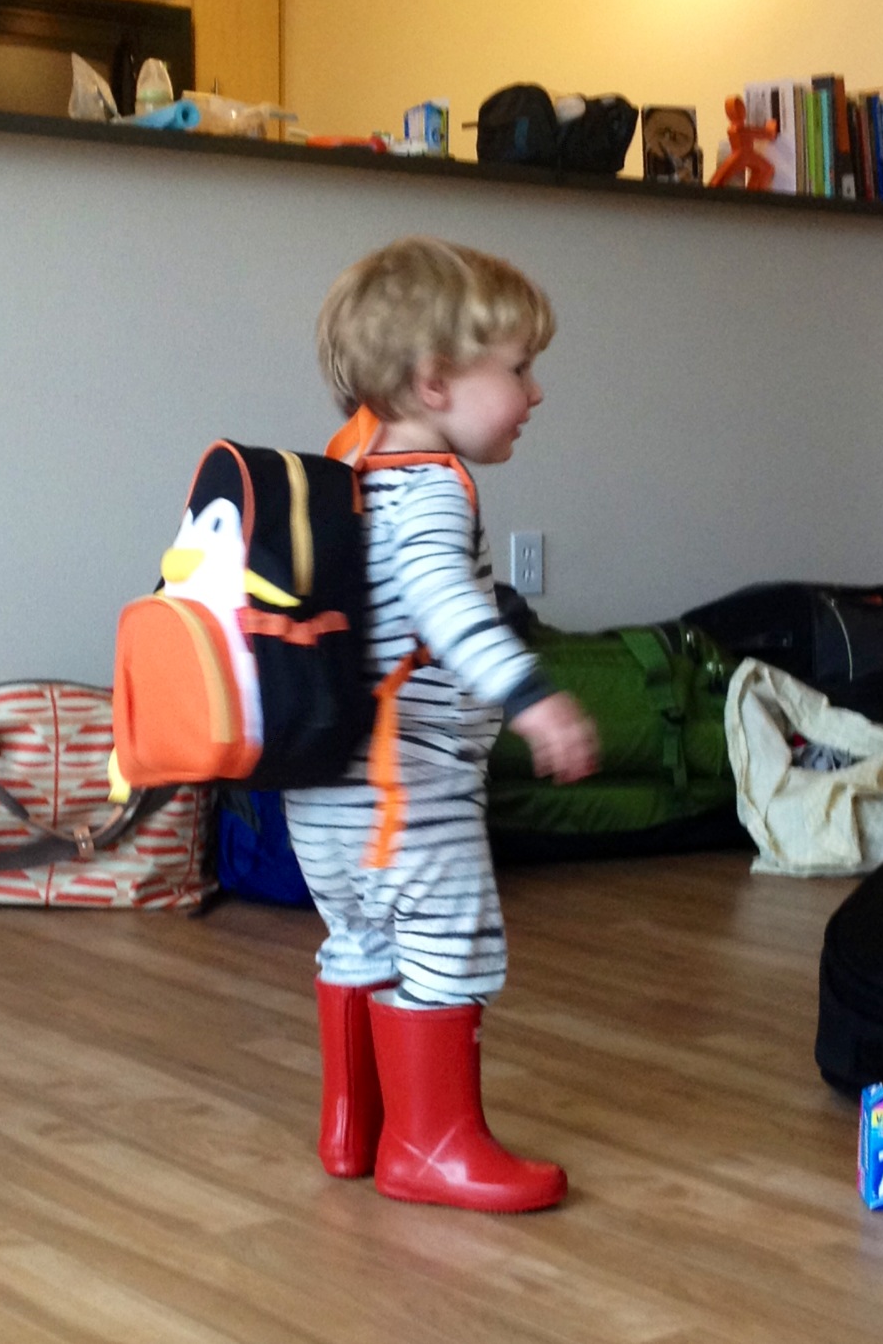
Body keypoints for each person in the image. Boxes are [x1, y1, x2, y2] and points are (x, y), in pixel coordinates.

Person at [283, 235, 599, 1213]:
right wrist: (530, 695)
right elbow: (447, 605)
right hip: (408, 792)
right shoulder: (428, 491)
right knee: (448, 950)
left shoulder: (346, 470)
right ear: (432, 382)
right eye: (518, 369)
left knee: (360, 938)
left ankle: (356, 1128)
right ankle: (431, 1146)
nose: (535, 392)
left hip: (323, 792)